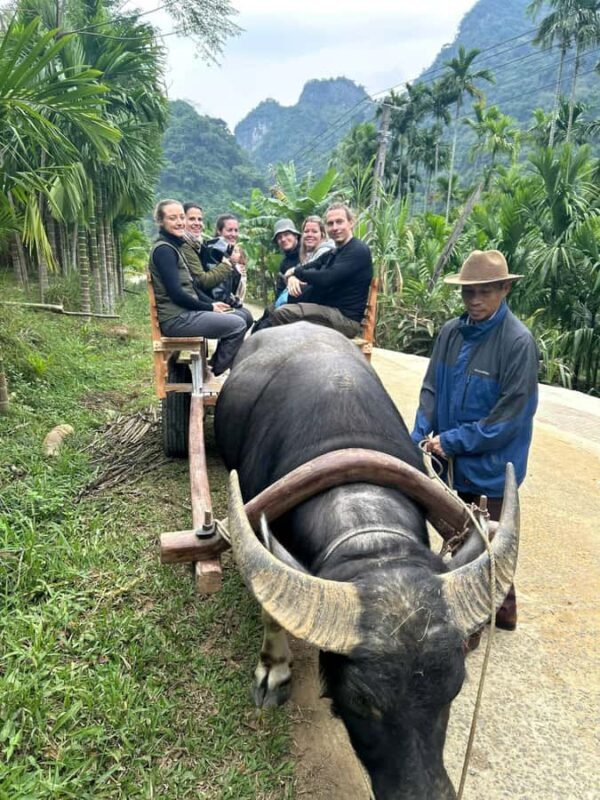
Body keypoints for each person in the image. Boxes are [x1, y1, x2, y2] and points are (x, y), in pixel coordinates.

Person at [411, 249, 539, 635]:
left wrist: (452, 440)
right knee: (468, 538)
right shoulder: (451, 332)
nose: (475, 301)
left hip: (491, 466)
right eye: (468, 293)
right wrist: (416, 437)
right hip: (454, 462)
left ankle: (472, 626)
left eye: (485, 292)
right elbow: (431, 389)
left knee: (486, 541)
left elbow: (510, 418)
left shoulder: (518, 342)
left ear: (503, 289)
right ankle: (505, 609)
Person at [148, 199, 246, 376]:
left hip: (184, 314)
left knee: (239, 315)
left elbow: (192, 287)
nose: (179, 222)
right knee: (237, 325)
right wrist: (208, 307)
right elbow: (177, 294)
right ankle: (213, 371)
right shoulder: (164, 251)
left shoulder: (174, 247)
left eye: (181, 217)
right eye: (172, 218)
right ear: (161, 221)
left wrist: (213, 305)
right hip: (176, 319)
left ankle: (212, 367)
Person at [269, 203, 373, 339]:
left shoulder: (357, 250)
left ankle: (299, 356)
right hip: (328, 310)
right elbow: (315, 264)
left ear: (351, 223)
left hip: (345, 320)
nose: (335, 228)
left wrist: (297, 273)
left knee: (283, 313)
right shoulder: (335, 251)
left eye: (339, 222)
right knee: (274, 309)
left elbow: (327, 278)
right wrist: (294, 271)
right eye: (330, 224)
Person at [182, 203, 253, 332]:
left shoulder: (197, 245)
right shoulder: (211, 251)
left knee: (246, 316)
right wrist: (229, 264)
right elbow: (204, 282)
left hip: (207, 299)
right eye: (192, 219)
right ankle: (224, 353)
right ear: (219, 231)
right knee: (241, 319)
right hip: (199, 302)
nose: (233, 234)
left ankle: (228, 352)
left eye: (199, 219)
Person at [274, 215, 335, 309]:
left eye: (286, 235)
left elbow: (317, 278)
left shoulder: (324, 252)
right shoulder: (289, 260)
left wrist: (294, 276)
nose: (283, 239)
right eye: (279, 237)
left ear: (296, 236)